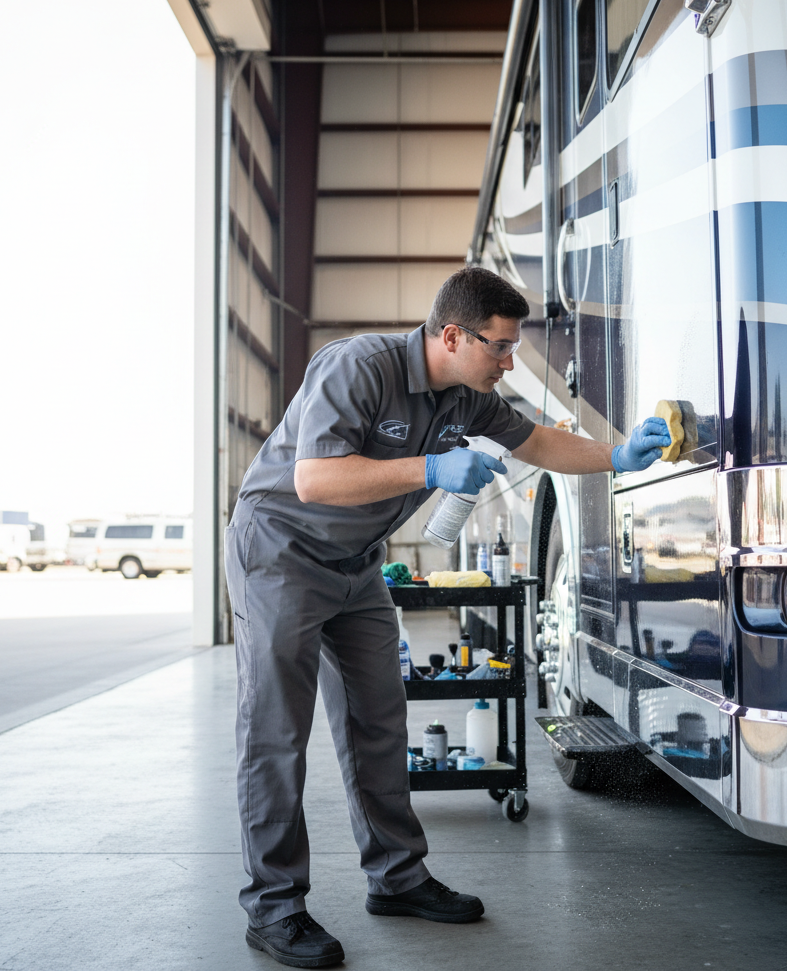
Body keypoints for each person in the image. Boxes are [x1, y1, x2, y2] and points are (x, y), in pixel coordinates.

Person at [225, 267, 671, 968]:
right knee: (277, 732)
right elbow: (315, 479)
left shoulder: (468, 393)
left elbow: (539, 443)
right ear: (453, 335)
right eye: (498, 346)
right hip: (281, 551)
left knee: (380, 718)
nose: (509, 361)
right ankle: (274, 908)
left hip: (356, 564)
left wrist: (617, 456)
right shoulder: (358, 368)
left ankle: (397, 879)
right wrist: (428, 470)